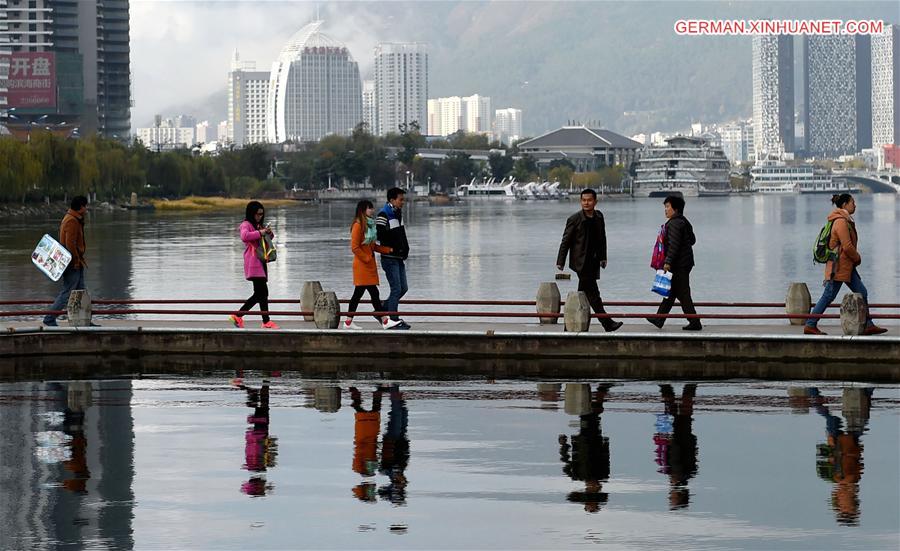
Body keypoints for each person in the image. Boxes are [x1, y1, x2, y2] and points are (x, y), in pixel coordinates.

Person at [805, 193, 888, 336]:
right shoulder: (840, 222)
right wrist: (858, 258)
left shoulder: (845, 220)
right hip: (838, 268)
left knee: (862, 292)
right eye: (852, 202)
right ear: (844, 205)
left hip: (846, 266)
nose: (855, 205)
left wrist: (853, 261)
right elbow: (848, 246)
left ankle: (868, 324)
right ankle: (810, 324)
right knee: (828, 296)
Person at [556, 189, 623, 332]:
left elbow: (602, 238)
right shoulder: (574, 219)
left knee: (582, 294)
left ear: (595, 202)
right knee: (594, 295)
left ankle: (570, 325)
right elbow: (565, 241)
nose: (586, 203)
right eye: (583, 200)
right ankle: (607, 323)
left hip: (593, 261)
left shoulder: (599, 216)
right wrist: (560, 261)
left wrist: (603, 257)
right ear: (581, 201)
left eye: (589, 200)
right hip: (581, 262)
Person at [646, 195, 702, 331]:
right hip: (685, 262)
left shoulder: (674, 224)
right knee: (671, 292)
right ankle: (659, 319)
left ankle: (695, 322)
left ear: (675, 209)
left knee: (683, 293)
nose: (665, 210)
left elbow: (674, 245)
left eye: (667, 207)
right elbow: (692, 240)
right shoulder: (683, 221)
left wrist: (668, 262)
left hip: (679, 264)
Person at [44, 196, 98, 327]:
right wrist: (75, 262)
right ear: (80, 207)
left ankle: (83, 321)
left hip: (76, 263)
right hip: (72, 264)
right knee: (68, 292)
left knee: (80, 292)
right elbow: (70, 244)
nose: (86, 209)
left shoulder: (72, 218)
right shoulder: (72, 221)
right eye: (85, 206)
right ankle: (49, 318)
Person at [230, 201, 279, 329]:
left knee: (262, 293)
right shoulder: (245, 225)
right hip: (253, 263)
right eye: (258, 214)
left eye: (262, 214)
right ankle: (239, 315)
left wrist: (268, 233)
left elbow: (264, 239)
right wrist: (261, 232)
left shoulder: (258, 225)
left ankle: (265, 321)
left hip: (260, 262)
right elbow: (244, 236)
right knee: (260, 293)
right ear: (252, 213)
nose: (260, 216)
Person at [344, 200, 393, 330]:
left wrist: (388, 250)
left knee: (360, 294)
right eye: (370, 208)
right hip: (362, 266)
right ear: (363, 210)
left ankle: (348, 322)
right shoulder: (358, 225)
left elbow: (372, 246)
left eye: (372, 208)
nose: (372, 210)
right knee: (373, 293)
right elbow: (354, 247)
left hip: (368, 266)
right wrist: (366, 258)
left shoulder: (369, 226)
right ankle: (384, 320)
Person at [376, 188, 411, 330]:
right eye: (400, 199)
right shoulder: (383, 214)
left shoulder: (398, 213)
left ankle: (382, 309)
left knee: (403, 288)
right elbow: (380, 235)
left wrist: (405, 249)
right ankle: (393, 319)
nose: (403, 202)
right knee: (396, 288)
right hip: (389, 258)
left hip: (399, 257)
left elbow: (402, 233)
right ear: (392, 200)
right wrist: (394, 247)